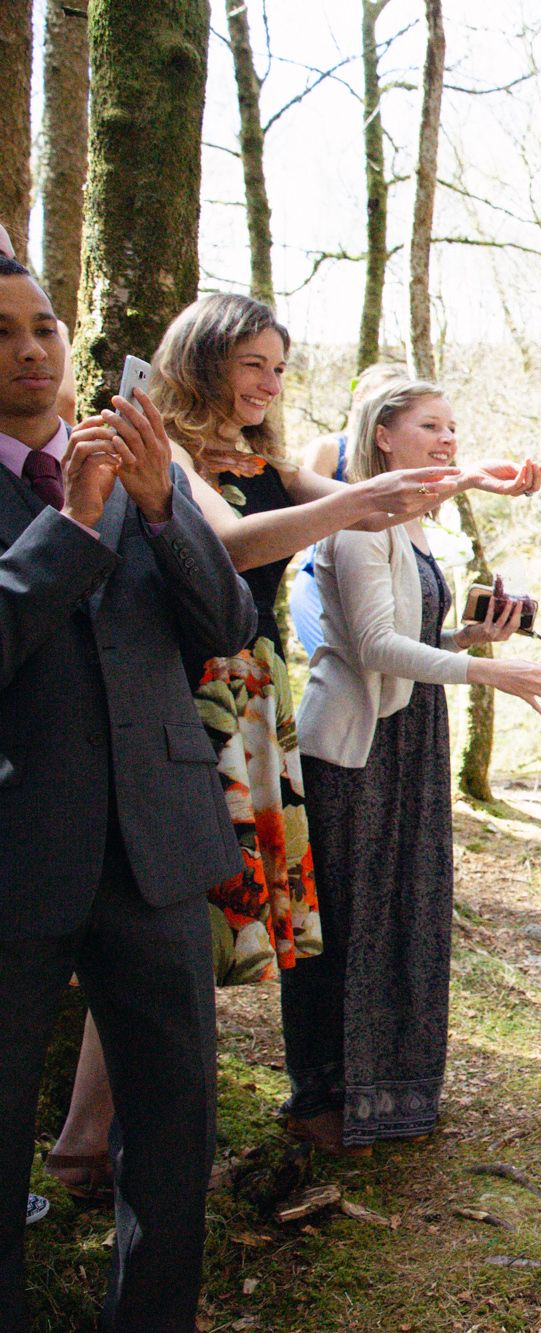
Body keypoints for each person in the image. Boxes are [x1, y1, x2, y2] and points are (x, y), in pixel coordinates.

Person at [44, 297, 528, 1189]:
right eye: (253, 364)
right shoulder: (173, 456)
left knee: (192, 935)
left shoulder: (259, 458)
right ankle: (85, 1145)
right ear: (203, 361)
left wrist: (467, 483)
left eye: (278, 367)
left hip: (252, 700)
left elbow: (367, 512)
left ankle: (120, 1142)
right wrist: (359, 499)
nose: (269, 383)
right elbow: (228, 544)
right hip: (182, 700)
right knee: (159, 925)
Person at [0, 253, 258, 1330]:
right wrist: (72, 522)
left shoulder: (143, 466)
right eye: (2, 332)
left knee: (175, 1125)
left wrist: (158, 510)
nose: (31, 349)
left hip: (156, 846)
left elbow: (228, 629)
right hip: (16, 853)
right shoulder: (67, 487)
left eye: (46, 326)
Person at [287, 380, 541, 1152]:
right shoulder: (353, 520)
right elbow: (372, 647)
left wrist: (470, 640)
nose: (449, 440)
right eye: (431, 427)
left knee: (398, 916)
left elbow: (410, 643)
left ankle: (386, 1092)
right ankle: (319, 1097)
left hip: (410, 737)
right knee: (345, 925)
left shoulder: (413, 532)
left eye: (454, 427)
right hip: (351, 748)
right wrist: (493, 677)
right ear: (383, 436)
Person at [290, 361, 411, 659]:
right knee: (338, 668)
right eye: (381, 396)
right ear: (359, 395)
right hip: (321, 580)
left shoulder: (389, 455)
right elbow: (303, 515)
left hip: (371, 581)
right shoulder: (330, 448)